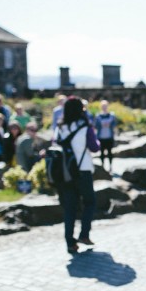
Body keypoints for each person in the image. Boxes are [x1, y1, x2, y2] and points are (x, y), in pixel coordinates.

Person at [55, 97, 100, 254]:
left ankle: (70, 243)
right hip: (83, 170)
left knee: (70, 207)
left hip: (65, 172)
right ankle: (84, 234)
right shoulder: (85, 127)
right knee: (89, 202)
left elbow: (55, 145)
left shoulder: (60, 127)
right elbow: (94, 148)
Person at [94, 100, 117, 171]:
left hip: (109, 137)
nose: (104, 107)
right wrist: (101, 125)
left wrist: (110, 125)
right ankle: (103, 166)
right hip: (101, 137)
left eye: (105, 106)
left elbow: (115, 124)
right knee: (102, 153)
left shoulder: (112, 115)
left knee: (110, 152)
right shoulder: (98, 116)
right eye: (103, 106)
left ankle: (110, 166)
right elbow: (95, 126)